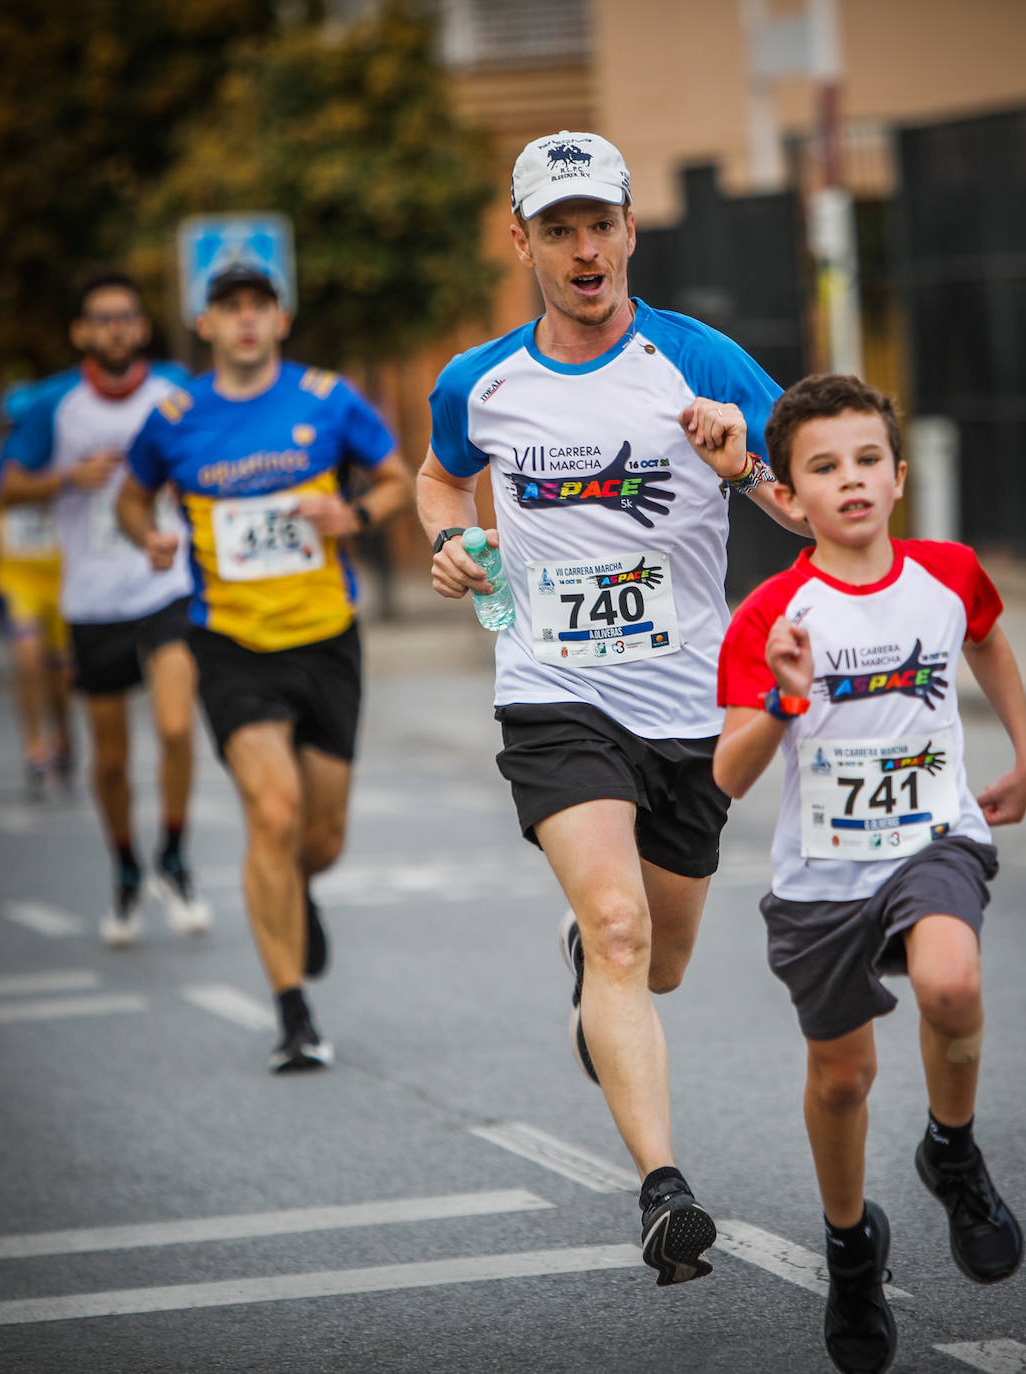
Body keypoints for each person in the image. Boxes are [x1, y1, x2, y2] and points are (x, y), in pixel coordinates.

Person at [418, 130, 807, 1285]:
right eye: (557, 229)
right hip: (552, 694)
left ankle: (592, 963)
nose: (584, 250)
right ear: (522, 241)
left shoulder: (702, 360)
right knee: (621, 930)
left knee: (661, 957)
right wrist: (450, 539)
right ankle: (663, 1193)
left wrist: (742, 467)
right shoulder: (476, 382)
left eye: (600, 225)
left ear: (631, 229)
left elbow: (811, 506)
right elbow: (439, 472)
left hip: (688, 709)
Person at [713, 374, 1026, 1374]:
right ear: (789, 495)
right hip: (822, 878)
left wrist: (1023, 753)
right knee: (841, 1079)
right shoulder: (772, 612)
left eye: (865, 460)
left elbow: (985, 638)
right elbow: (725, 774)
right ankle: (851, 1247)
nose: (848, 480)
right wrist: (778, 696)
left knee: (950, 980)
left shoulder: (946, 574)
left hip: (931, 839)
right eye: (822, 467)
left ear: (896, 477)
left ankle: (951, 1148)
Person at [118, 262, 413, 1074]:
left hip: (325, 637)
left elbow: (396, 481)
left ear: (280, 320)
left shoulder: (326, 399)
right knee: (272, 814)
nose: (245, 321)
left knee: (320, 836)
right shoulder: (175, 417)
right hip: (230, 642)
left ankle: (299, 889)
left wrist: (352, 513)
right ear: (205, 325)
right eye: (229, 309)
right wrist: (147, 534)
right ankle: (292, 1010)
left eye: (259, 307)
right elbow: (131, 496)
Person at [0, 271, 210, 944]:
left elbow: (208, 460)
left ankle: (172, 855)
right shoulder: (54, 406)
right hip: (91, 602)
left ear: (142, 328)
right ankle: (124, 867)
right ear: (82, 332)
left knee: (177, 728)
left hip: (167, 584)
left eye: (126, 316)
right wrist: (65, 478)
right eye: (101, 318)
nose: (115, 327)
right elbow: (5, 487)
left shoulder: (175, 390)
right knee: (111, 759)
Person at [0, 382, 74, 798]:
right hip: (17, 579)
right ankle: (34, 745)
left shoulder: (63, 461)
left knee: (60, 675)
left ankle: (62, 736)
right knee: (26, 659)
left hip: (60, 580)